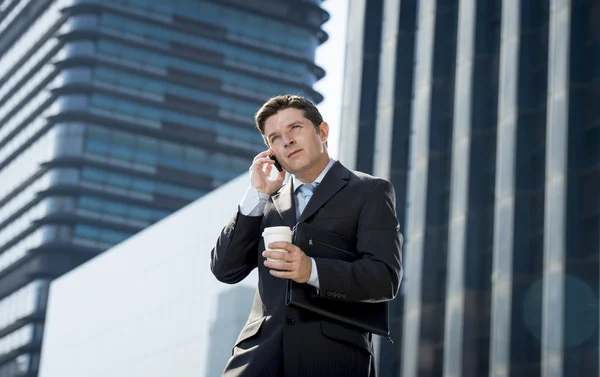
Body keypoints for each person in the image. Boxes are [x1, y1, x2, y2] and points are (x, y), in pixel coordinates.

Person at [211, 94, 403, 377]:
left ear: (322, 132)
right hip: (256, 361)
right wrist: (257, 194)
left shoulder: (370, 191)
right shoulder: (266, 202)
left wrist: (311, 270)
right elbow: (225, 269)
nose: (286, 140)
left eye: (295, 128)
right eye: (275, 138)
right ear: (271, 152)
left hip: (332, 361)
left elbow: (384, 278)